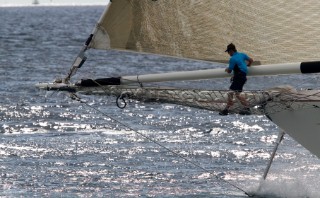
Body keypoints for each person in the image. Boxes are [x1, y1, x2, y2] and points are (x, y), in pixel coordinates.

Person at [219, 43, 253, 115]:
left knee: (232, 93)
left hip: (239, 76)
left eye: (228, 52)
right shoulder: (242, 55)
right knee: (234, 93)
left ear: (231, 51)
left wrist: (226, 69)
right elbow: (251, 60)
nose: (228, 53)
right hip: (242, 76)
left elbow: (229, 71)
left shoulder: (232, 59)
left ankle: (246, 108)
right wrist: (248, 65)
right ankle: (227, 109)